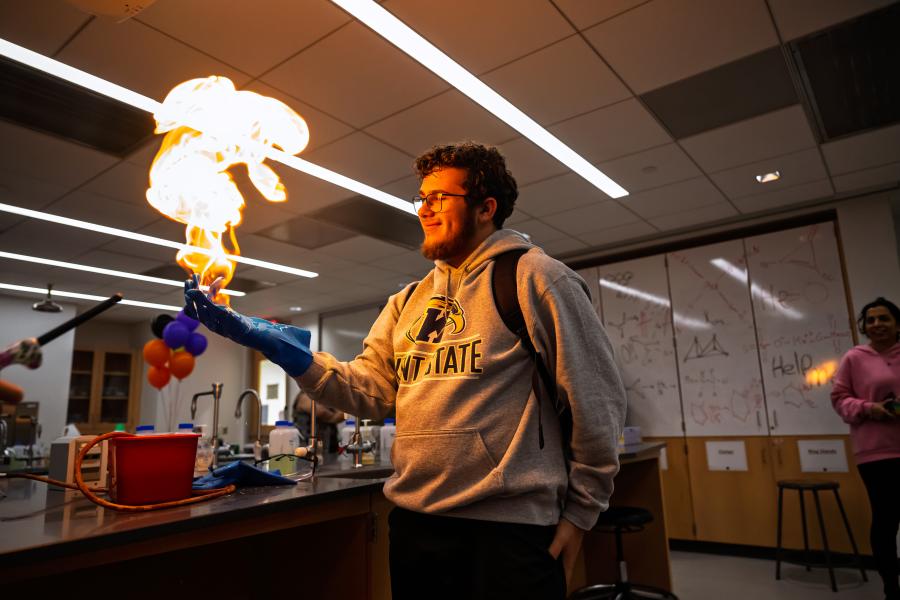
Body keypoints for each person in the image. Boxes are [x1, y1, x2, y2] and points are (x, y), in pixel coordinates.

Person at [185, 142, 626, 600]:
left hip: (508, 531)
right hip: (417, 526)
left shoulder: (536, 278)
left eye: (440, 198)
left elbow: (596, 401)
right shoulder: (407, 302)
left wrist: (580, 515)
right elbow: (371, 392)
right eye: (422, 198)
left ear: (485, 208)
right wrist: (285, 351)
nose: (425, 210)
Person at [832, 297, 900, 600]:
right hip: (876, 452)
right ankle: (891, 587)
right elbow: (839, 398)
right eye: (870, 320)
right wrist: (869, 408)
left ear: (897, 324)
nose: (876, 325)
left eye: (883, 318)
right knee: (886, 519)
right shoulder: (854, 358)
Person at [292, 388, 343, 455]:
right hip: (306, 448)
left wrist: (336, 416)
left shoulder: (326, 399)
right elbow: (322, 412)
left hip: (330, 447)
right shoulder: (304, 397)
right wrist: (335, 416)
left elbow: (343, 415)